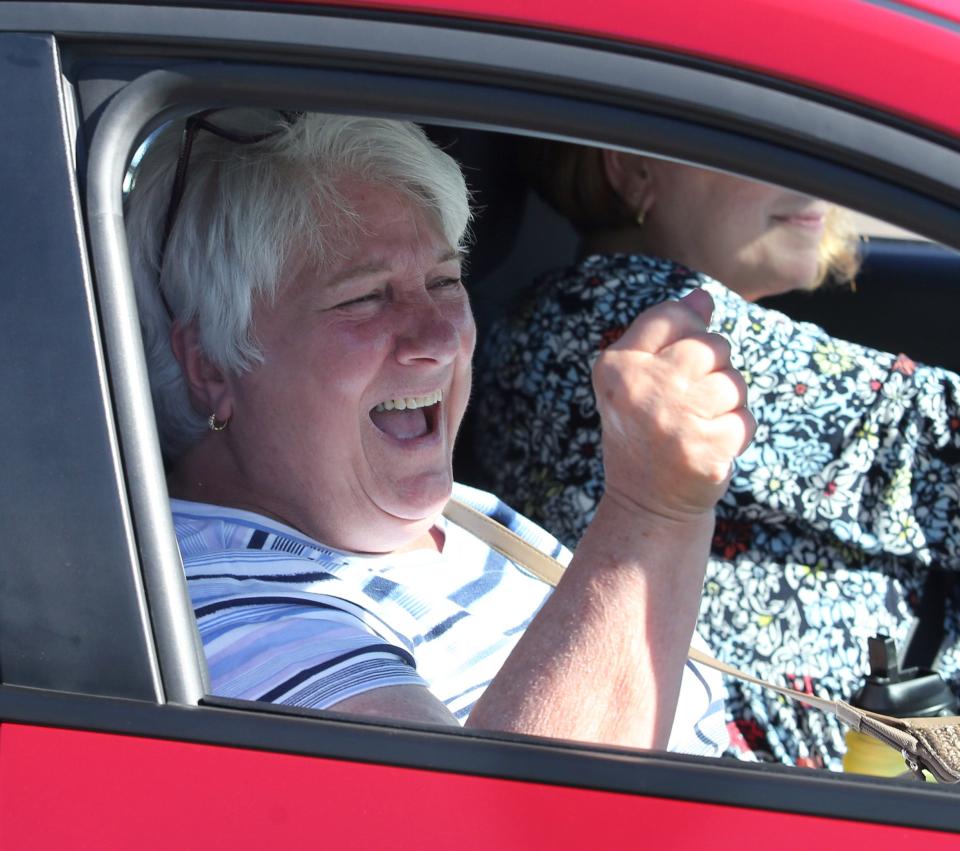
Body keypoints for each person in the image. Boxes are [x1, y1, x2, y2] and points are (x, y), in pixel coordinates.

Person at [125, 112, 754, 755]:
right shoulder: (219, 607)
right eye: (364, 297)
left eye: (444, 282)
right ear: (212, 365)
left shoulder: (461, 519)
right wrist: (654, 513)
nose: (439, 337)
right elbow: (501, 826)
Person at [473, 138, 960, 770]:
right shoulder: (631, 318)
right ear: (632, 167)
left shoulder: (595, 309)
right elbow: (932, 445)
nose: (816, 171)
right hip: (832, 798)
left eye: (815, 138)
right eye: (765, 138)